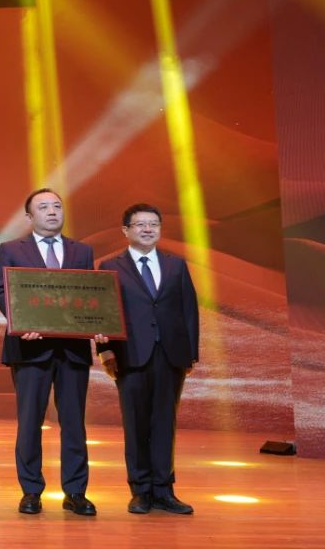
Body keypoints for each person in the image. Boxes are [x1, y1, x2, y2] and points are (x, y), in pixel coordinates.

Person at [0, 188, 99, 516]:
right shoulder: (11, 249)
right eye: (43, 207)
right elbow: (1, 289)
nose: (52, 212)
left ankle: (75, 491)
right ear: (29, 216)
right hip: (29, 348)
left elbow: (92, 294)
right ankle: (31, 490)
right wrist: (21, 321)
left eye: (56, 206)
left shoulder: (82, 251)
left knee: (74, 423)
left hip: (72, 350)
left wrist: (96, 321)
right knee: (29, 423)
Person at [97, 204, 200, 515]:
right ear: (125, 230)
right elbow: (104, 312)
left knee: (165, 422)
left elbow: (189, 310)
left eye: (153, 224)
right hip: (129, 355)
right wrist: (105, 351)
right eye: (140, 224)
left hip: (171, 355)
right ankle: (140, 490)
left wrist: (190, 354)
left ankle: (164, 490)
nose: (147, 229)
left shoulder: (175, 265)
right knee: (136, 423)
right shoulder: (110, 266)